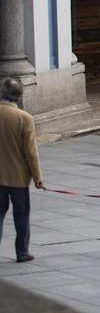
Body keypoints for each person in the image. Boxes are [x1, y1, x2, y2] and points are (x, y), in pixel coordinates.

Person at [0, 77, 44, 263]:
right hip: (18, 177)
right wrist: (37, 177)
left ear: (2, 93)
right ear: (19, 97)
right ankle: (22, 252)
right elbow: (31, 152)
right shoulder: (25, 119)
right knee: (21, 214)